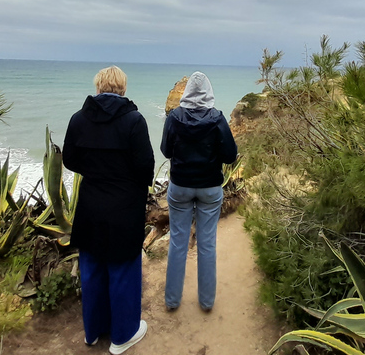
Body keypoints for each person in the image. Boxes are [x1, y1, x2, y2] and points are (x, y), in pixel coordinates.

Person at [63, 66, 154, 355]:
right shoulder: (134, 120)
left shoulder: (79, 118)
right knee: (122, 268)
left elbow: (69, 159)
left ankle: (93, 331)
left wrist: (95, 172)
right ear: (122, 88)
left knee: (92, 267)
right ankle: (123, 335)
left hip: (90, 202)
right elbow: (145, 167)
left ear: (99, 86)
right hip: (124, 205)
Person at [161, 71, 238, 312]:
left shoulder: (174, 117)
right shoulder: (217, 118)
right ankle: (206, 302)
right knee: (207, 244)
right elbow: (230, 155)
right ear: (208, 92)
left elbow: (165, 151)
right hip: (210, 188)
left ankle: (172, 301)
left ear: (187, 94)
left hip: (180, 186)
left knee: (177, 242)